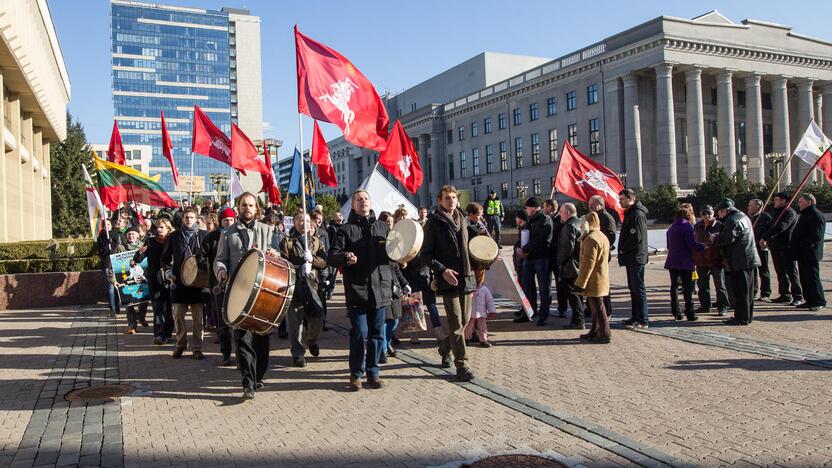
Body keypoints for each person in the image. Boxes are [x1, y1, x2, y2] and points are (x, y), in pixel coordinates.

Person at [214, 192, 281, 400]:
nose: (247, 208)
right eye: (244, 205)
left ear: (257, 208)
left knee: (262, 339)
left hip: (263, 293)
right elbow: (219, 260)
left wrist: (275, 254)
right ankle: (248, 383)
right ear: (238, 207)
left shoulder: (268, 231)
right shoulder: (227, 233)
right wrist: (221, 271)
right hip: (238, 292)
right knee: (243, 339)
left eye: (251, 205)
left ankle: (258, 376)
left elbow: (279, 257)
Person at [328, 190, 394, 390]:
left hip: (380, 289)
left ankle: (373, 373)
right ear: (354, 206)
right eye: (358, 199)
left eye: (366, 198)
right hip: (357, 289)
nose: (363, 201)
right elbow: (332, 256)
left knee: (377, 334)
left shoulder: (383, 227)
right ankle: (356, 374)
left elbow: (395, 253)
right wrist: (346, 256)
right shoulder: (345, 230)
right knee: (359, 332)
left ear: (370, 202)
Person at [421, 185, 479, 382]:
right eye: (447, 198)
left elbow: (473, 244)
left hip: (466, 277)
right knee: (455, 323)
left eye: (454, 197)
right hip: (448, 280)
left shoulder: (462, 218)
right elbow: (426, 254)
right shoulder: (434, 222)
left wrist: (488, 252)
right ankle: (462, 365)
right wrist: (442, 270)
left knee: (463, 322)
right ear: (440, 200)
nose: (451, 200)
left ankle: (444, 348)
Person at [280, 212, 328, 367]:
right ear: (294, 222)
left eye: (307, 220)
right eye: (301, 220)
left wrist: (312, 261)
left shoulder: (316, 241)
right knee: (295, 322)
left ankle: (311, 340)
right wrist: (299, 267)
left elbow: (325, 261)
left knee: (318, 318)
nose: (304, 223)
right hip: (294, 285)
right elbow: (282, 263)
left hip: (312, 286)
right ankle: (298, 353)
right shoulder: (287, 242)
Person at [161, 207, 207, 359]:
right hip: (179, 281)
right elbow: (165, 258)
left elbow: (210, 257)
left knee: (198, 319)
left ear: (196, 219)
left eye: (191, 217)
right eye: (186, 217)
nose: (189, 220)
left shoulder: (203, 235)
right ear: (182, 219)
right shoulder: (173, 236)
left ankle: (197, 347)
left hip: (198, 283)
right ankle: (180, 344)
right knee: (178, 316)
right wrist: (168, 272)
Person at [714, 198, 760, 326]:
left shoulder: (733, 220)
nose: (718, 215)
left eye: (719, 212)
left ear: (724, 211)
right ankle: (746, 316)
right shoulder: (742, 216)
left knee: (741, 291)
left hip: (740, 260)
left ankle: (741, 317)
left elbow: (727, 239)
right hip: (747, 258)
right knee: (746, 291)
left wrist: (716, 238)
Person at [202, 208, 236, 366]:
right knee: (223, 322)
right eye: (225, 220)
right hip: (219, 284)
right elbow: (201, 257)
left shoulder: (239, 235)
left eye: (231, 220)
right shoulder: (211, 238)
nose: (228, 223)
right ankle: (226, 353)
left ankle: (241, 355)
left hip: (238, 283)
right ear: (220, 222)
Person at [135, 217, 174, 345]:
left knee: (168, 309)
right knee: (157, 308)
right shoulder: (150, 241)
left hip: (169, 279)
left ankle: (167, 333)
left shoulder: (172, 240)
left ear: (168, 228)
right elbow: (139, 258)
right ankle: (158, 335)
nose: (159, 229)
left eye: (162, 227)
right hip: (155, 280)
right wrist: (139, 253)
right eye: (157, 227)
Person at [378, 210, 411, 360]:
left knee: (395, 320)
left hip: (394, 286)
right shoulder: (377, 240)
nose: (389, 225)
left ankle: (388, 342)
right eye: (387, 222)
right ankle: (383, 349)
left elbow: (396, 267)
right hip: (381, 285)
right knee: (385, 321)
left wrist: (405, 283)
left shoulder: (394, 241)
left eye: (391, 222)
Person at [574, 212, 611, 343]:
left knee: (598, 306)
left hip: (594, 279)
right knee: (594, 305)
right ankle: (595, 330)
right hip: (600, 277)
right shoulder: (600, 236)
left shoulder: (591, 239)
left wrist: (580, 282)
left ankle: (604, 333)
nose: (580, 228)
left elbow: (588, 263)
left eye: (582, 225)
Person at [515, 197, 553, 326]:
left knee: (543, 288)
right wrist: (519, 247)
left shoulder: (545, 220)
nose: (526, 210)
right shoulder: (530, 220)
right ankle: (528, 313)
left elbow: (540, 240)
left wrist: (524, 249)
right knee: (526, 287)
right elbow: (524, 235)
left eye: (527, 207)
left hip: (541, 258)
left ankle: (543, 315)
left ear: (533, 207)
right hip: (529, 259)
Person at [664, 207, 705, 321]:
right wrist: (703, 246)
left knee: (674, 287)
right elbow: (691, 244)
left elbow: (668, 246)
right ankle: (689, 312)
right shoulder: (688, 226)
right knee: (688, 288)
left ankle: (676, 311)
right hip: (685, 260)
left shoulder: (671, 228)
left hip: (672, 260)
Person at [762, 192, 803, 306]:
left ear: (784, 201)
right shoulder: (777, 212)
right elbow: (772, 227)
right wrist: (767, 240)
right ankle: (785, 294)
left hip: (787, 246)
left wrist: (765, 237)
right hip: (776, 246)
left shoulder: (789, 212)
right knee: (780, 272)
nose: (774, 202)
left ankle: (797, 295)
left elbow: (781, 228)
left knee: (791, 272)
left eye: (776, 200)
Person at [618, 189, 650, 329]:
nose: (620, 202)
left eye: (622, 199)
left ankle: (642, 320)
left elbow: (635, 237)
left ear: (630, 198)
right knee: (633, 288)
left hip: (636, 257)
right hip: (631, 257)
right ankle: (635, 316)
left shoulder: (637, 214)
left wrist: (624, 249)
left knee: (638, 288)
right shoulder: (631, 213)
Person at [791, 194, 826, 311]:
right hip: (802, 253)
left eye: (801, 201)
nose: (798, 204)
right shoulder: (804, 214)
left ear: (809, 202)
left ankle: (819, 300)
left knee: (813, 277)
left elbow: (816, 236)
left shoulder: (816, 215)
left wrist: (803, 246)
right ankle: (809, 300)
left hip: (810, 253)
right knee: (805, 277)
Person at [693, 206, 729, 316]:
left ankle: (722, 306)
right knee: (702, 285)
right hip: (701, 260)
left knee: (720, 284)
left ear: (713, 213)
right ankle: (705, 306)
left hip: (715, 259)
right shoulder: (697, 226)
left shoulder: (720, 225)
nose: (707, 215)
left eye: (709, 213)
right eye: (704, 213)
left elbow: (724, 241)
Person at [587, 195, 616, 317]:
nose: (590, 207)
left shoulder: (606, 218)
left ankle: (606, 310)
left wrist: (599, 243)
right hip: (591, 253)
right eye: (589, 205)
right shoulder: (591, 217)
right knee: (590, 281)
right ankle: (590, 308)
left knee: (601, 282)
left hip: (601, 254)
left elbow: (611, 236)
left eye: (593, 205)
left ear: (600, 205)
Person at [556, 203, 583, 329]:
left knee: (572, 293)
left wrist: (559, 262)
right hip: (577, 263)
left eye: (561, 212)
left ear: (567, 212)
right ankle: (578, 318)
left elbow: (567, 247)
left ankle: (578, 320)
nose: (560, 214)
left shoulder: (570, 226)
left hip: (570, 265)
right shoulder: (579, 223)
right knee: (576, 293)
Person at [121, 227, 149, 334]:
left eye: (133, 234)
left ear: (138, 235)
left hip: (142, 278)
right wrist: (113, 278)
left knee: (144, 301)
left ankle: (141, 317)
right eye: (129, 234)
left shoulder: (143, 245)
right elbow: (113, 264)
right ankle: (132, 325)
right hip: (128, 279)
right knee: (129, 303)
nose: (131, 236)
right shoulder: (121, 247)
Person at [97, 219, 124, 317]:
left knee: (117, 286)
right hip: (107, 264)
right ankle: (112, 308)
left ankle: (117, 307)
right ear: (103, 226)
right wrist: (106, 245)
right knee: (111, 286)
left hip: (116, 264)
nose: (107, 226)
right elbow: (101, 252)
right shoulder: (101, 237)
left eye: (109, 224)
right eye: (105, 225)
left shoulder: (116, 234)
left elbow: (120, 248)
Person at [310, 209, 332, 329]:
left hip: (321, 270)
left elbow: (326, 253)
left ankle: (322, 322)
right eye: (317, 220)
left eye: (320, 220)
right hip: (309, 273)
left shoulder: (324, 233)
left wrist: (328, 270)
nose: (318, 222)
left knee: (322, 298)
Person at [543, 199, 565, 317]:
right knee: (546, 282)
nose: (543, 209)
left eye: (545, 207)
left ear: (550, 207)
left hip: (557, 256)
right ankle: (547, 305)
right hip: (547, 255)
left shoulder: (560, 221)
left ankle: (562, 308)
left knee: (559, 283)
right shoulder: (547, 219)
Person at [748, 199, 772, 302]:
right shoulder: (748, 217)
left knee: (763, 270)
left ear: (757, 206)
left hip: (761, 246)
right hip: (750, 247)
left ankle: (766, 293)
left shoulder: (765, 217)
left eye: (750, 205)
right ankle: (753, 291)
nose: (748, 207)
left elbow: (765, 230)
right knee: (753, 270)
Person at [464, 274, 496, 347]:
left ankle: (483, 340)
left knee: (483, 328)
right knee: (468, 328)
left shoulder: (485, 290)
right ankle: (466, 339)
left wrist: (491, 310)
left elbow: (489, 301)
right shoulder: (469, 290)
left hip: (481, 313)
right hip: (470, 313)